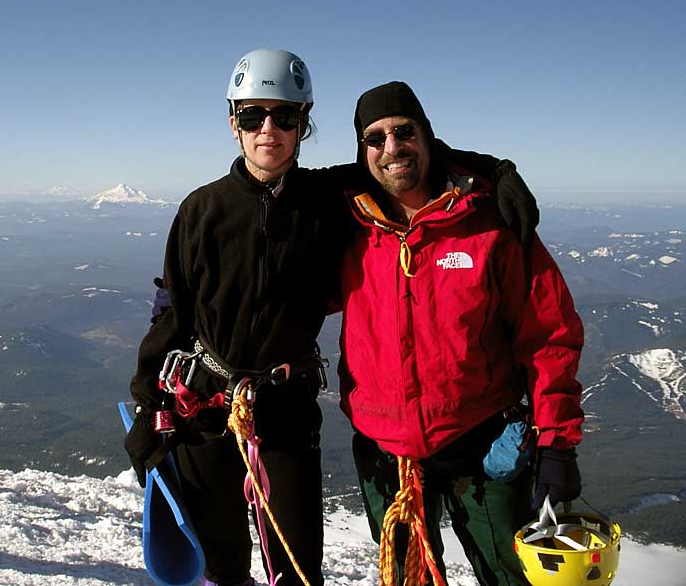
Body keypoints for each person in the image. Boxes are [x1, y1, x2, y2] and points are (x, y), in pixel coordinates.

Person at [124, 51, 539, 586]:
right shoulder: (201, 211)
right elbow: (173, 313)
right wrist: (147, 407)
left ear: (303, 125)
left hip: (284, 408)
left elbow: (404, 159)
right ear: (233, 125)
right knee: (221, 560)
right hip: (204, 408)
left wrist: (494, 171)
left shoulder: (329, 199)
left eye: (285, 117)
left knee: (297, 569)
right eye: (253, 116)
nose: (267, 129)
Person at [337, 81, 585, 586]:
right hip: (388, 452)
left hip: (484, 440)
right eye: (375, 138)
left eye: (404, 132)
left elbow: (548, 333)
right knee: (408, 578)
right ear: (362, 151)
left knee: (511, 576)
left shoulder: (488, 221)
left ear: (427, 137)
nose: (391, 148)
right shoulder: (345, 226)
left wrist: (558, 444)